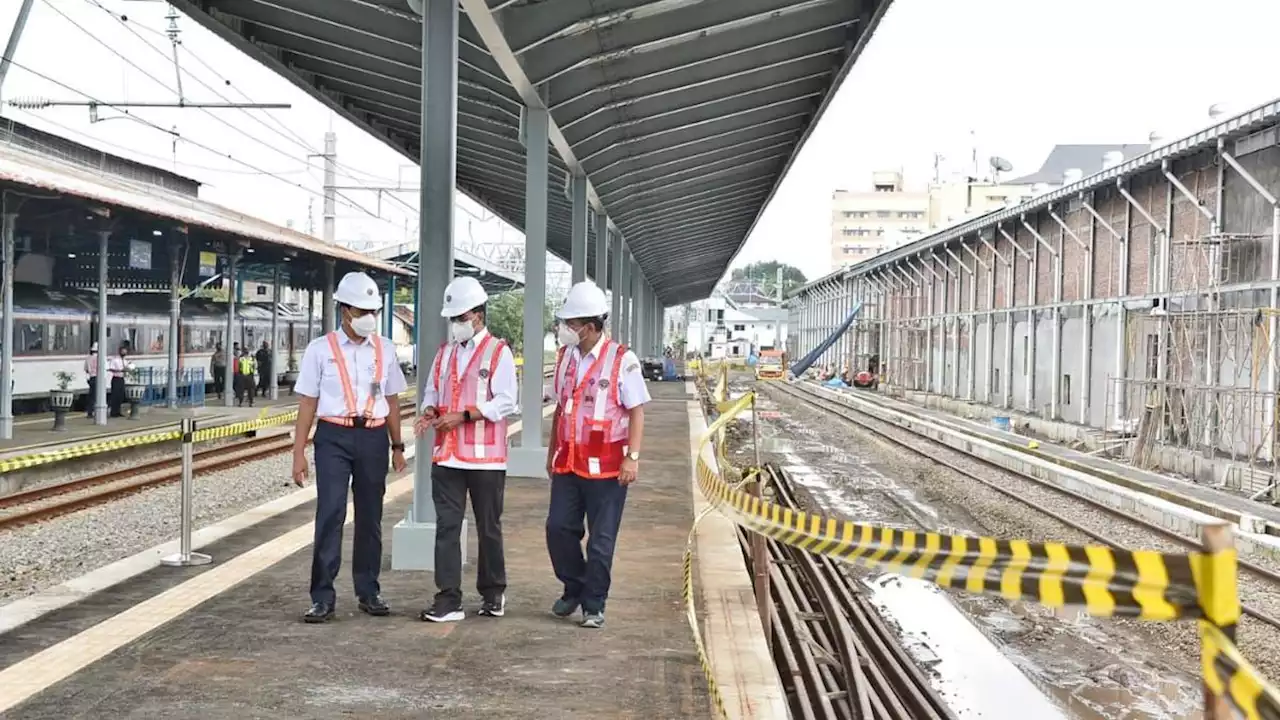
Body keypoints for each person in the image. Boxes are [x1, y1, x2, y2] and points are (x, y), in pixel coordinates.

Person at [291, 271, 408, 623]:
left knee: (371, 516)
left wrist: (397, 445)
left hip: (373, 437)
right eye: (362, 310)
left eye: (373, 310)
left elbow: (391, 398)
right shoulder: (320, 350)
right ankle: (322, 595)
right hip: (333, 438)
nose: (369, 317)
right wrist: (298, 453)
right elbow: (308, 403)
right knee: (331, 513)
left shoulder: (384, 349)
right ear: (344, 310)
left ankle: (368, 590)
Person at [545, 281, 650, 629]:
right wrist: (550, 452)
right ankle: (574, 586)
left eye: (570, 324)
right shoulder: (564, 358)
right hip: (568, 462)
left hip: (607, 469)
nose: (564, 330)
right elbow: (562, 408)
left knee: (601, 541)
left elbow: (636, 411)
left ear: (589, 327)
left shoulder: (622, 360)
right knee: (558, 528)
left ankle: (594, 603)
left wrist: (632, 457)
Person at [415, 276, 518, 623]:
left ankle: (493, 593)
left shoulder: (498, 353)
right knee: (447, 526)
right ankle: (448, 598)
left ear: (477, 315)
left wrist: (466, 416)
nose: (455, 324)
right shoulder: (444, 355)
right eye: (453, 319)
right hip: (448, 456)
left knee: (488, 526)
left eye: (460, 318)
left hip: (486, 459)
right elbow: (432, 391)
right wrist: (430, 411)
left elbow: (507, 402)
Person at [106, 344, 130, 418]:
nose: (124, 353)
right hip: (116, 378)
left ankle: (118, 411)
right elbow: (110, 368)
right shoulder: (115, 360)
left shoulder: (125, 361)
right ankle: (113, 412)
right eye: (123, 351)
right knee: (115, 396)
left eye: (125, 352)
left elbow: (126, 369)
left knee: (120, 396)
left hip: (122, 378)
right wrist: (120, 370)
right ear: (120, 352)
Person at [84, 343, 98, 418]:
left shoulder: (88, 358)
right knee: (97, 396)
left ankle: (90, 412)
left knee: (91, 396)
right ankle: (97, 412)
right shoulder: (101, 357)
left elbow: (86, 369)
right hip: (98, 378)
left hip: (91, 377)